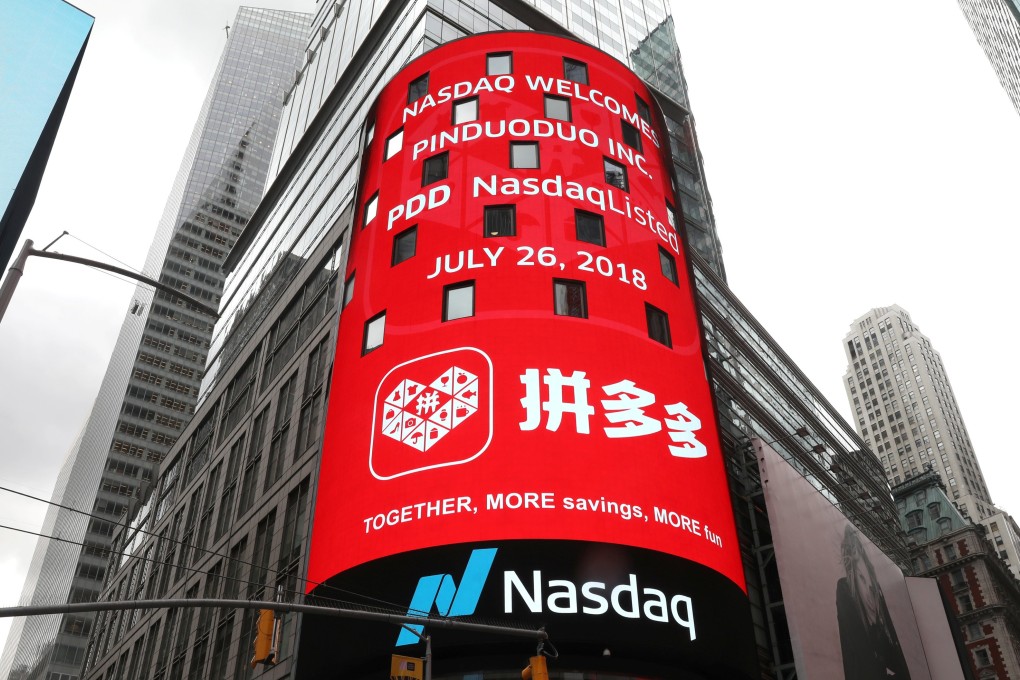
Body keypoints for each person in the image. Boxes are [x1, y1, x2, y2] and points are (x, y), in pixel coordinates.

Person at [836, 526, 911, 679]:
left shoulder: (875, 588)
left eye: (870, 582)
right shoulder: (844, 588)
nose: (870, 590)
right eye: (862, 579)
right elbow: (856, 644)